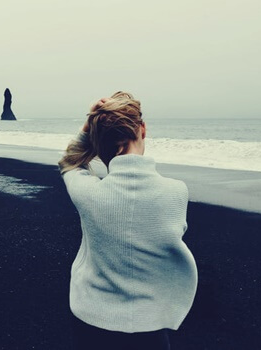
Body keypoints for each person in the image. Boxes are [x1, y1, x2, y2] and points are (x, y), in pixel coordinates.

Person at [58, 91, 198, 350]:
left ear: (99, 140)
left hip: (91, 320)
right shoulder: (176, 192)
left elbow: (69, 162)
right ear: (143, 129)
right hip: (150, 324)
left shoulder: (88, 192)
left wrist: (88, 128)